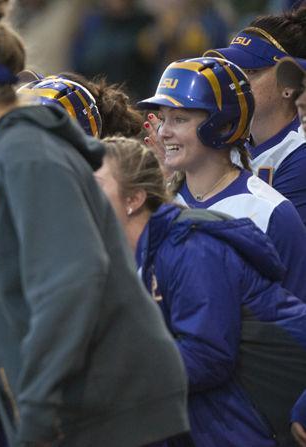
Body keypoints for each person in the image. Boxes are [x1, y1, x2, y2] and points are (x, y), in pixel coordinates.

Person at [0, 0, 190, 445]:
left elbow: (75, 282)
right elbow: (17, 285)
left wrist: (39, 408)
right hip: (86, 404)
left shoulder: (27, 153)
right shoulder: (4, 153)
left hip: (110, 409)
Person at [95, 136, 306, 446]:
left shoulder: (190, 248)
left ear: (134, 199)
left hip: (254, 421)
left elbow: (208, 356)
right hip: (227, 419)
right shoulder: (150, 253)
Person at [137, 56, 306, 303]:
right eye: (163, 118)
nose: (164, 132)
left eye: (179, 119)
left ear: (223, 126)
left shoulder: (271, 212)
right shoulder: (154, 206)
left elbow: (295, 326)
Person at [199, 8, 306, 222]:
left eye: (250, 72)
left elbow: (265, 243)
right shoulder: (230, 142)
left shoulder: (300, 155)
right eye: (233, 71)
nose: (235, 83)